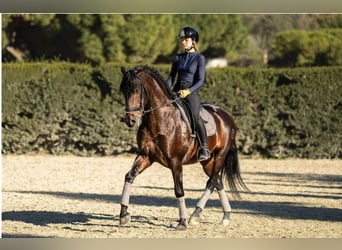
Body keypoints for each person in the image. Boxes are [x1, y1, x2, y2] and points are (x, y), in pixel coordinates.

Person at [166, 26, 210, 161]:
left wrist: (188, 91)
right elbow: (171, 77)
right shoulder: (178, 58)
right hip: (176, 91)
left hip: (191, 93)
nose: (183, 42)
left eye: (186, 40)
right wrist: (166, 90)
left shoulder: (199, 58)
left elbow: (201, 80)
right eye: (182, 40)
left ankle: (204, 147)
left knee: (195, 117)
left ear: (193, 41)